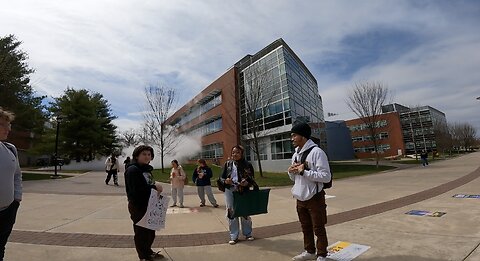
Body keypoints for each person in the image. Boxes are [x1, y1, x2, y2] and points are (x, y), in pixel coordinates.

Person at [288, 122, 331, 261]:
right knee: (305, 227)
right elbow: (294, 178)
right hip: (300, 197)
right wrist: (291, 172)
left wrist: (304, 172)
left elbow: (326, 176)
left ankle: (322, 254)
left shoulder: (317, 152)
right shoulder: (296, 154)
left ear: (303, 136)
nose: (292, 138)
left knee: (318, 228)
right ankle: (309, 251)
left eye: (294, 135)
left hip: (315, 197)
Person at [124, 145, 165, 261]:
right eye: (144, 154)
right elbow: (136, 191)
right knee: (142, 232)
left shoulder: (145, 169)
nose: (147, 156)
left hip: (150, 204)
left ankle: (148, 252)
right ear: (137, 156)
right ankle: (143, 256)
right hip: (138, 205)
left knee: (150, 231)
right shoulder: (133, 170)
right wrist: (154, 187)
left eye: (149, 154)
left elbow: (147, 184)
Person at [218, 145, 255, 245]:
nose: (235, 154)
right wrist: (226, 181)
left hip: (243, 191)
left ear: (242, 154)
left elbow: (252, 179)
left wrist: (247, 183)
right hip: (230, 191)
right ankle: (234, 236)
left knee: (244, 212)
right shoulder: (227, 164)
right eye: (233, 152)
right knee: (231, 213)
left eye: (237, 152)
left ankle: (248, 233)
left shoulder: (247, 165)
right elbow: (220, 178)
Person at [0, 107, 22, 261]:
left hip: (7, 211)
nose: (8, 129)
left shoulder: (10, 149)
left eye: (9, 125)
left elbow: (17, 175)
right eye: (3, 125)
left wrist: (17, 198)